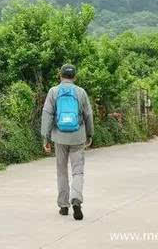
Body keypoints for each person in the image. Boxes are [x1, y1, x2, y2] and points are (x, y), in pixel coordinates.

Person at [40, 64, 94, 220]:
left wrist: (46, 137)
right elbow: (88, 115)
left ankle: (64, 206)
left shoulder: (53, 91)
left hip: (59, 137)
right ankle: (76, 198)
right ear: (74, 77)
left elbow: (47, 114)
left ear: (60, 76)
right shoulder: (81, 92)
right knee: (78, 170)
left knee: (61, 171)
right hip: (78, 137)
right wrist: (90, 134)